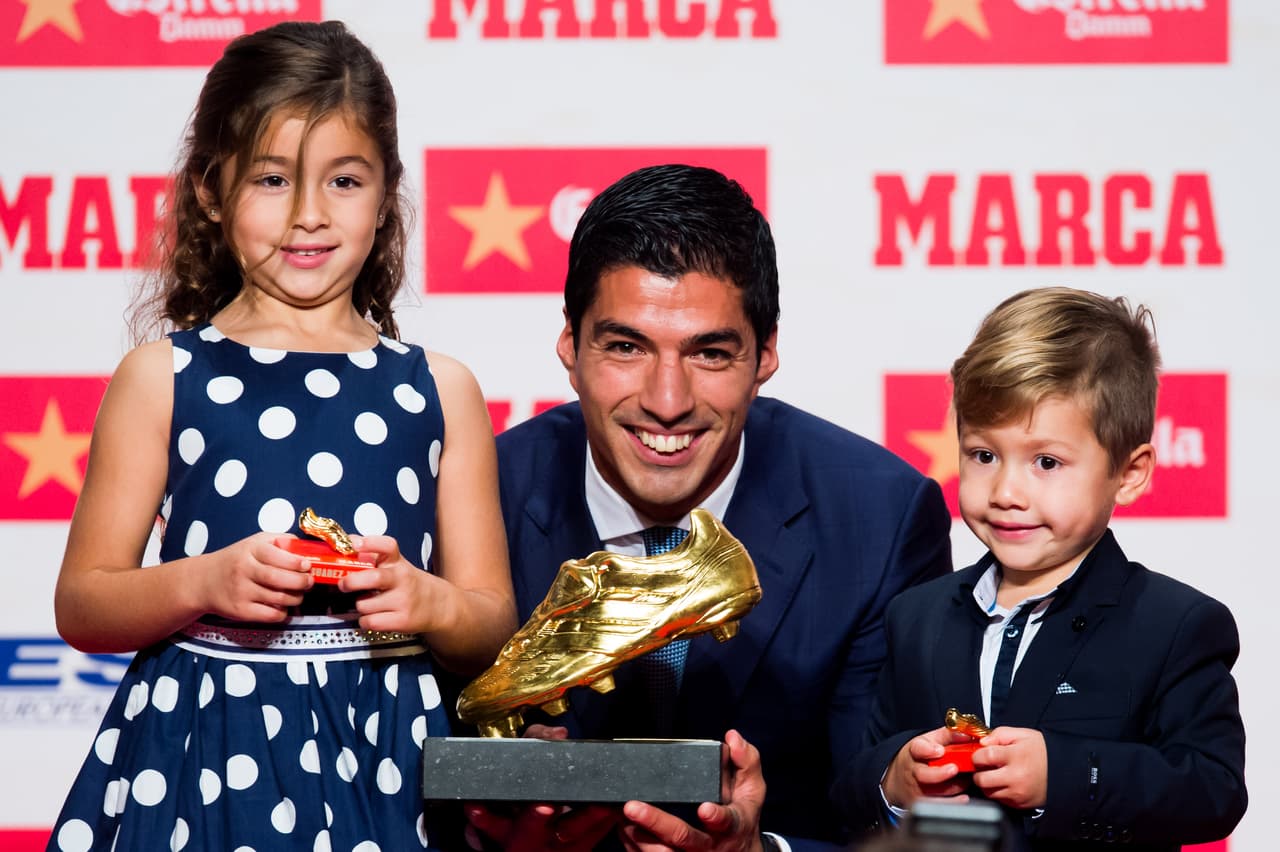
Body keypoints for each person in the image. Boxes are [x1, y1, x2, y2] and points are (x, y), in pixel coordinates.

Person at [48, 21, 515, 851]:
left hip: (388, 754)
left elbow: (488, 618)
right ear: (210, 191)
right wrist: (204, 582)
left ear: (387, 192)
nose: (307, 215)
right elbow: (85, 601)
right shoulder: (162, 377)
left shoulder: (441, 389)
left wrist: (428, 599)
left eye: (343, 180)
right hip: (200, 751)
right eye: (271, 178)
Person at [473, 164, 953, 851]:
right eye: (626, 346)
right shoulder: (475, 495)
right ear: (569, 345)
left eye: (710, 353)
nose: (667, 400)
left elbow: (896, 820)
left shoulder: (879, 520)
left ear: (765, 354)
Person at [831, 287, 1247, 850]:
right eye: (983, 455)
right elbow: (849, 784)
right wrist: (894, 778)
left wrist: (1068, 775)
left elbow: (1212, 792)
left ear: (1130, 472)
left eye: (1046, 462)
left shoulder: (1176, 625)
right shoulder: (916, 615)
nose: (1006, 491)